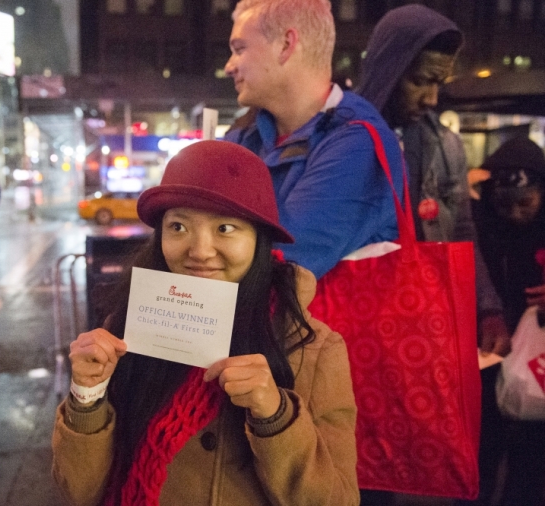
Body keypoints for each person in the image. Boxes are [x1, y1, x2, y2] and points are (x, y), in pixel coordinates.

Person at [52, 140, 359, 506]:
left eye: (225, 228)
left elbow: (338, 500)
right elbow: (77, 491)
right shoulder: (128, 327)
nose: (198, 251)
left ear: (258, 239)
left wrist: (275, 416)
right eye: (178, 226)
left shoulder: (312, 350)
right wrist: (86, 395)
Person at [357, 7, 510, 504]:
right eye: (421, 81)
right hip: (357, 327)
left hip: (420, 326)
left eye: (438, 83)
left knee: (404, 461)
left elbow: (462, 230)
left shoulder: (445, 145)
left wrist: (484, 305)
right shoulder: (343, 139)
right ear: (388, 68)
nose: (431, 98)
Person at [223, 0, 404, 279]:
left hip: (328, 322)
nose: (229, 66)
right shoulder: (247, 133)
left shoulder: (359, 143)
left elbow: (286, 259)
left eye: (239, 49)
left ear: (286, 45)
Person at [472, 136, 545, 506]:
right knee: (481, 450)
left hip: (539, 361)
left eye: (526, 203)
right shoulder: (478, 229)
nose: (515, 214)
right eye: (504, 205)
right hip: (487, 355)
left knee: (532, 459)